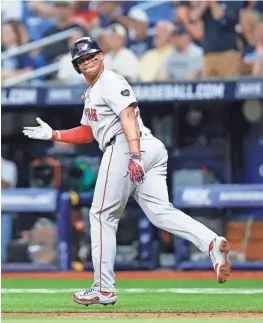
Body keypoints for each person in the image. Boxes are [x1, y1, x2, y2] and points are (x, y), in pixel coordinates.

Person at [23, 37, 232, 307]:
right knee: (160, 213)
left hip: (127, 145)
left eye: (92, 56)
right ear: (77, 67)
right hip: (146, 147)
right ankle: (212, 243)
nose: (88, 61)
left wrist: (133, 153)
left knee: (100, 214)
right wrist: (54, 133)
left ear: (101, 56)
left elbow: (128, 115)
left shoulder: (109, 80)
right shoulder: (93, 92)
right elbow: (88, 132)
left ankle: (103, 287)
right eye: (82, 60)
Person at [191, 1, 241, 78]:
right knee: (208, 86)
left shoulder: (230, 2)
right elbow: (193, 17)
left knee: (229, 84)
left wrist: (213, 3)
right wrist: (203, 5)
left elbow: (219, 17)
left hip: (228, 52)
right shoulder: (205, 4)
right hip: (209, 52)